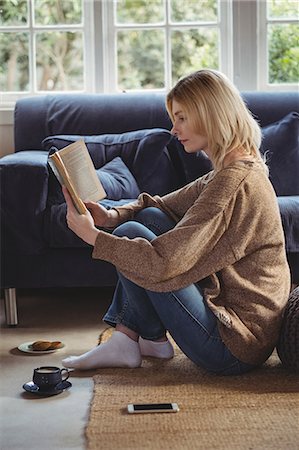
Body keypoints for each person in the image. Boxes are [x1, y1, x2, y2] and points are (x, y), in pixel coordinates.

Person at [62, 69, 290, 375]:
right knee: (147, 217)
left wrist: (94, 237)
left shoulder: (233, 183)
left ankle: (131, 339)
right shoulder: (236, 168)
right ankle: (140, 339)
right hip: (243, 329)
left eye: (181, 117)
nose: (173, 129)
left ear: (210, 115)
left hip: (234, 345)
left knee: (132, 233)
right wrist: (110, 216)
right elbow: (160, 204)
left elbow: (164, 264)